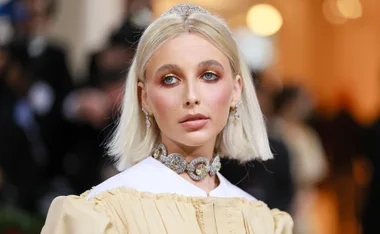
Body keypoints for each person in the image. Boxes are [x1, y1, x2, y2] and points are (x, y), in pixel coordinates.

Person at [41, 4, 293, 233]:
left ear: (236, 89)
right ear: (144, 97)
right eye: (170, 79)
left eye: (209, 75)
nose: (192, 96)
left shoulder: (263, 222)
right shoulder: (101, 214)